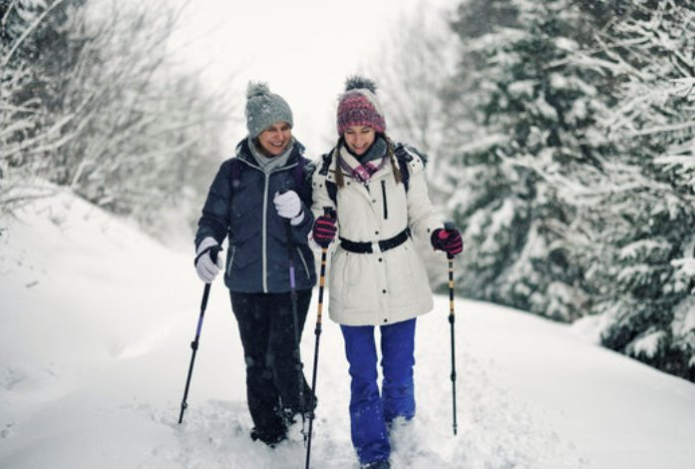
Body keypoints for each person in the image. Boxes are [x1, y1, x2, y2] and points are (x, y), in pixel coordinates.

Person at [310, 76, 463, 469]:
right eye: (350, 130)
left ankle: (402, 438)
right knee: (362, 378)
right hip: (354, 278)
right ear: (341, 130)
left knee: (398, 372)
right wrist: (320, 231)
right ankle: (373, 455)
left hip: (399, 274)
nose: (358, 139)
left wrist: (439, 234)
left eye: (364, 129)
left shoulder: (405, 165)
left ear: (377, 126)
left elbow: (422, 214)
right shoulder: (326, 172)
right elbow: (318, 228)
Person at [194, 82, 317, 447]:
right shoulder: (233, 172)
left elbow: (325, 228)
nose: (280, 136)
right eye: (271, 129)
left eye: (285, 127)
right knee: (256, 361)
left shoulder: (305, 172)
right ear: (254, 132)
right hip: (245, 281)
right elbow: (212, 218)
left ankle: (297, 415)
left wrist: (301, 214)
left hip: (293, 281)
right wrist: (206, 244)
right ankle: (268, 429)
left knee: (283, 354)